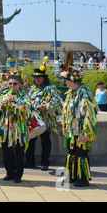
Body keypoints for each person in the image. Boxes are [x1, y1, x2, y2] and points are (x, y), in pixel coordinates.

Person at [61, 52, 98, 187]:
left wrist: (86, 132)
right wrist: (65, 126)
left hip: (82, 130)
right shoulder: (71, 93)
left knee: (82, 153)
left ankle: (83, 178)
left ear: (72, 80)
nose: (64, 82)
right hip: (72, 130)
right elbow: (67, 112)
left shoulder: (84, 93)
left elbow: (90, 114)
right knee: (71, 152)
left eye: (66, 80)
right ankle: (71, 176)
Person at [0, 68, 33, 183]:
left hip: (19, 129)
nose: (12, 86)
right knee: (7, 151)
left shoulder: (24, 95)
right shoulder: (3, 95)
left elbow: (29, 109)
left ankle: (18, 174)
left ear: (19, 85)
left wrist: (16, 101)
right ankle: (9, 172)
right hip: (5, 128)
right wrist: (1, 103)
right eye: (10, 83)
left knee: (19, 151)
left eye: (15, 84)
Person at [25, 66, 62, 171]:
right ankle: (29, 161)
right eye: (36, 78)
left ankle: (45, 163)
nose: (37, 80)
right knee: (30, 140)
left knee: (45, 141)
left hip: (45, 119)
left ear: (44, 78)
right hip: (33, 119)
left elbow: (57, 101)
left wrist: (45, 106)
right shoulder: (32, 89)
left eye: (39, 78)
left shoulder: (50, 88)